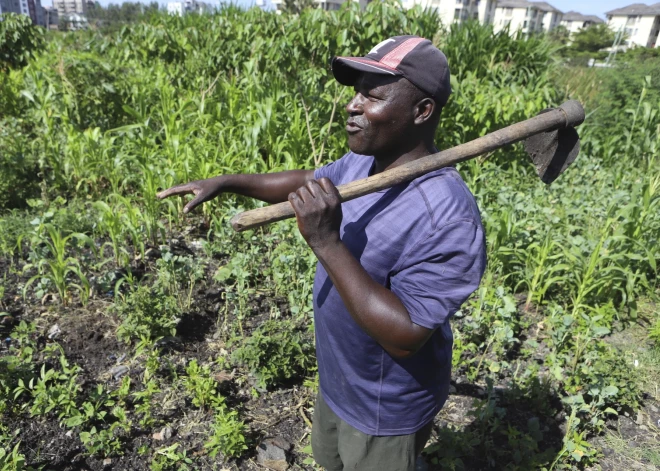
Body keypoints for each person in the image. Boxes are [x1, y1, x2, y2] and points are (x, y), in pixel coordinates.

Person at [158, 35, 486, 471]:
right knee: (330, 459)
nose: (352, 105)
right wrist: (229, 181)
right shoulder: (366, 160)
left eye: (373, 96)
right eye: (355, 92)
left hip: (382, 406)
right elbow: (307, 179)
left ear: (421, 111)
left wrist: (326, 242)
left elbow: (406, 336)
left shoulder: (445, 215)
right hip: (340, 378)